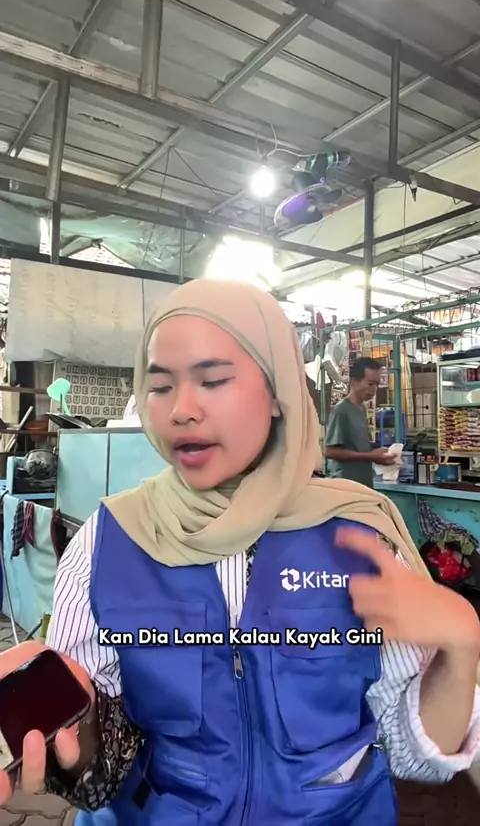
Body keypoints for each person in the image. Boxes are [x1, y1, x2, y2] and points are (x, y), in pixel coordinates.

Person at [0, 279, 479, 826]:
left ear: (277, 391)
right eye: (160, 386)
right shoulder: (109, 540)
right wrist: (76, 736)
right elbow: (102, 764)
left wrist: (461, 646)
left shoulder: (360, 536)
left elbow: (414, 755)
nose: (181, 410)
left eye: (213, 380)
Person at [324, 357, 396, 487]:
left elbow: (357, 448)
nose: (374, 390)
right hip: (346, 484)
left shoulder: (361, 409)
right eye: (370, 384)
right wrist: (371, 456)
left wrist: (379, 455)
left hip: (363, 482)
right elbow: (330, 451)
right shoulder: (341, 410)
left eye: (376, 384)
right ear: (354, 382)